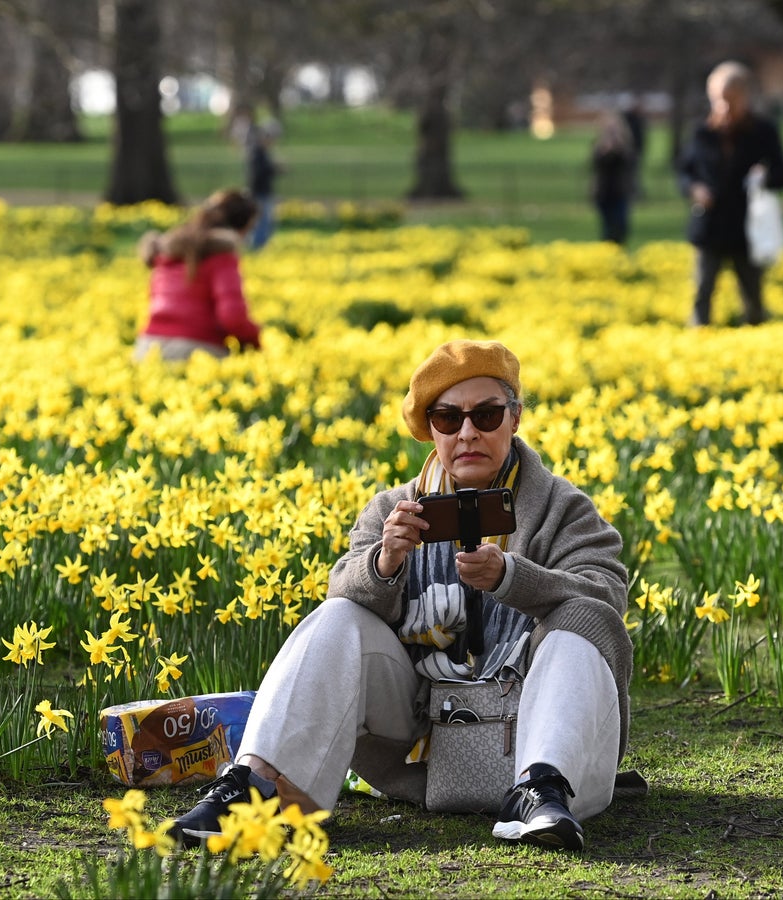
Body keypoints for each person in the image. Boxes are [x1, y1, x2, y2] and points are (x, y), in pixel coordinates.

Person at [170, 339, 637, 851]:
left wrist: (512, 578)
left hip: (539, 731)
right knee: (338, 615)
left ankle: (540, 789)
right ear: (429, 428)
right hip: (420, 737)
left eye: (486, 415)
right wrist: (386, 563)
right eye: (447, 418)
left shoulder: (564, 508)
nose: (467, 433)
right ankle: (254, 785)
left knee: (580, 617)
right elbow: (343, 592)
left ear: (515, 418)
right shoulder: (393, 509)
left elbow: (607, 596)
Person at [677, 61, 783, 326]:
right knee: (702, 292)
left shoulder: (763, 132)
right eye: (720, 100)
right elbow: (685, 173)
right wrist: (695, 189)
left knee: (753, 298)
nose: (725, 108)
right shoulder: (702, 133)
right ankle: (698, 341)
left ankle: (755, 345)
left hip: (747, 228)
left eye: (732, 100)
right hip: (710, 225)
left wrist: (763, 177)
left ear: (745, 97)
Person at [133, 189, 262, 362]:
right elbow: (233, 317)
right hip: (194, 349)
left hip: (146, 347)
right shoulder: (222, 256)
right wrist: (256, 342)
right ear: (241, 229)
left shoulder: (170, 250)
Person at [589, 112, 636, 245]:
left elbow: (629, 163)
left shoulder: (625, 145)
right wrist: (605, 150)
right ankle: (607, 254)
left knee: (621, 225)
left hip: (621, 191)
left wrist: (618, 148)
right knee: (607, 227)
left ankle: (619, 251)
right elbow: (597, 164)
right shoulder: (599, 146)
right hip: (604, 192)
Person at [246, 122, 281, 250]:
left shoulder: (262, 153)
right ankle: (257, 246)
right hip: (259, 192)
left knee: (265, 221)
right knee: (261, 221)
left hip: (263, 191)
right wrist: (274, 168)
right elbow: (259, 172)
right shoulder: (257, 153)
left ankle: (260, 245)